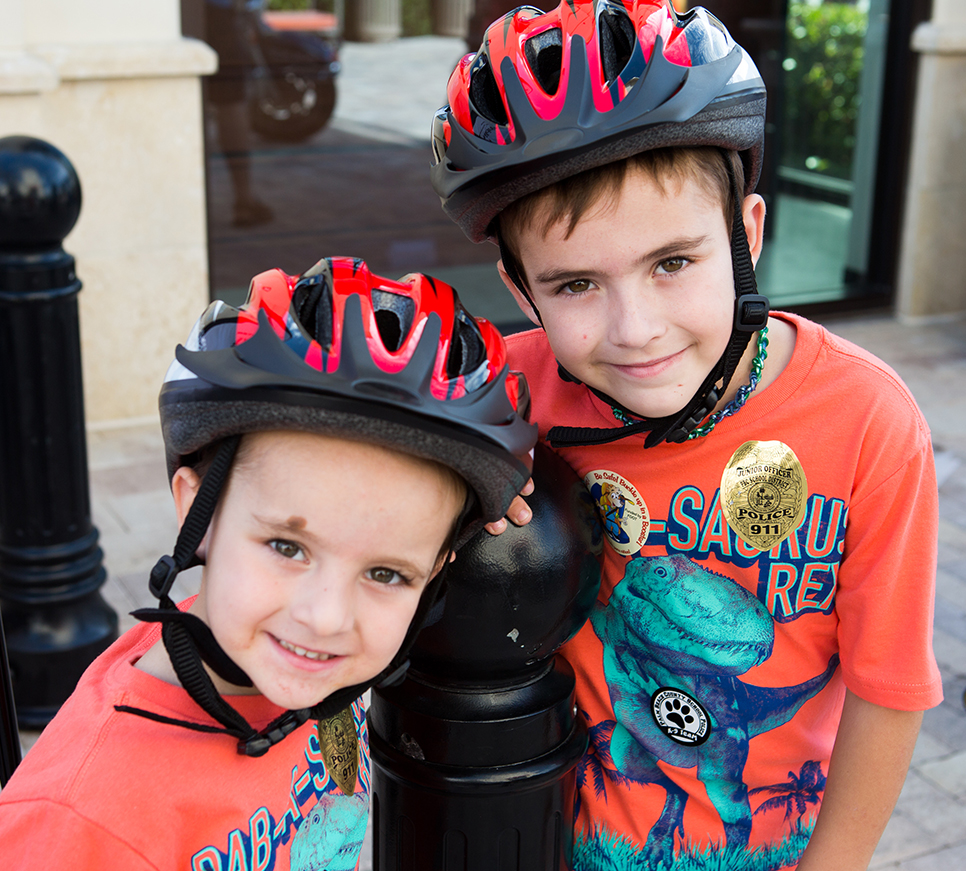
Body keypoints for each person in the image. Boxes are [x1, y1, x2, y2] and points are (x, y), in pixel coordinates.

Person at [428, 2, 943, 869]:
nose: (635, 329)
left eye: (673, 263)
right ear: (522, 293)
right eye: (576, 284)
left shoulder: (869, 423)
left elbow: (889, 689)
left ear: (745, 236)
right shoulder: (501, 392)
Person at [0, 256, 536, 870]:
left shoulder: (310, 667)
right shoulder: (77, 826)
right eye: (287, 547)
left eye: (386, 573)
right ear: (196, 510)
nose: (327, 616)